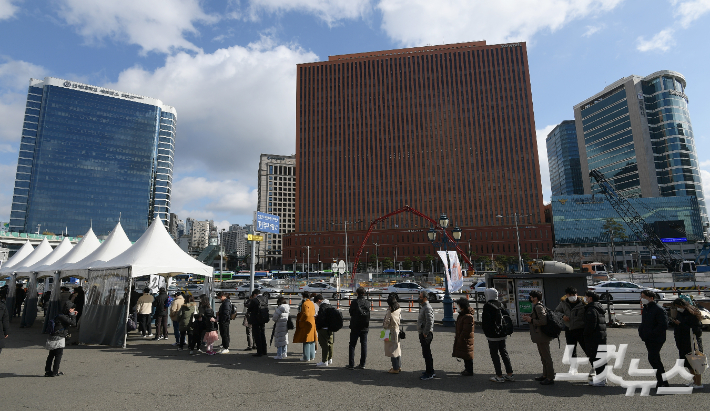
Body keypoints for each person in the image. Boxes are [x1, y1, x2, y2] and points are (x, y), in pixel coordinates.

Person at [481, 288, 514, 383]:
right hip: (503, 333)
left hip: (492, 334)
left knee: (494, 354)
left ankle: (499, 375)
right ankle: (510, 374)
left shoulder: (487, 306)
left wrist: (487, 333)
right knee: (504, 352)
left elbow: (486, 322)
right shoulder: (501, 304)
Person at [639, 290, 669, 388]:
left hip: (656, 338)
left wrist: (651, 334)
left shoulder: (658, 309)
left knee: (654, 359)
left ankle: (663, 381)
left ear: (651, 298)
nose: (642, 299)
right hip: (648, 338)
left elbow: (663, 325)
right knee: (654, 359)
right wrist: (642, 332)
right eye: (641, 297)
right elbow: (644, 323)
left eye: (644, 297)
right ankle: (661, 381)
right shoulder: (647, 308)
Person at [523, 290, 554, 385]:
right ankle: (545, 375)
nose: (530, 298)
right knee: (543, 357)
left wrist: (531, 320)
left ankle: (550, 377)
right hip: (539, 335)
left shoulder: (539, 307)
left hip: (542, 335)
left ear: (535, 298)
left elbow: (543, 321)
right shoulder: (538, 306)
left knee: (546, 357)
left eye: (531, 297)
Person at [671, 298, 704, 388]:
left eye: (678, 306)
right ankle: (694, 381)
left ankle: (698, 383)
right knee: (687, 363)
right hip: (682, 341)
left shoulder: (692, 314)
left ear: (683, 305)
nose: (677, 308)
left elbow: (697, 330)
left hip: (692, 342)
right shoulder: (680, 313)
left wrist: (680, 324)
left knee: (695, 362)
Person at [44, 301, 77, 377]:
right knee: (58, 355)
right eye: (72, 309)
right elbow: (73, 323)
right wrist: (73, 315)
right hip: (58, 338)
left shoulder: (59, 315)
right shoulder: (63, 317)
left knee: (51, 355)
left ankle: (48, 371)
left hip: (53, 337)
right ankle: (55, 371)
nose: (73, 310)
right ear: (69, 309)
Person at [583, 291, 607, 387]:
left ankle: (601, 380)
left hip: (594, 337)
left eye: (586, 297)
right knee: (601, 357)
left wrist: (585, 334)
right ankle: (603, 378)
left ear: (590, 298)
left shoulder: (591, 309)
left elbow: (590, 326)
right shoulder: (599, 307)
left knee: (596, 358)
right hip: (601, 336)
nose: (585, 299)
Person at [555, 286, 586, 357]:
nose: (572, 296)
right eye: (570, 295)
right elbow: (556, 312)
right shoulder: (563, 303)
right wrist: (563, 316)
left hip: (581, 329)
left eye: (574, 295)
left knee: (587, 348)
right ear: (567, 295)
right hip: (569, 329)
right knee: (571, 351)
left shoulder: (583, 302)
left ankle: (595, 366)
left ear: (576, 294)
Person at [347, 287, 370, 370]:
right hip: (365, 326)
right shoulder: (367, 302)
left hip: (355, 325)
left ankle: (351, 364)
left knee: (352, 345)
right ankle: (362, 364)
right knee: (364, 345)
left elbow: (351, 313)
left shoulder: (354, 302)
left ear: (357, 293)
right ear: (364, 293)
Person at [452, 297, 475, 376]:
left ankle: (469, 370)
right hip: (464, 338)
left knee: (468, 354)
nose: (458, 307)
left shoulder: (467, 316)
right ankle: (467, 369)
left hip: (466, 339)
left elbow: (466, 330)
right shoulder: (463, 315)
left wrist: (460, 337)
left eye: (459, 305)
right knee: (466, 354)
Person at [293, 291, 317, 361]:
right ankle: (312, 356)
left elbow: (305, 314)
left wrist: (301, 319)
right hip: (312, 322)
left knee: (306, 340)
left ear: (303, 296)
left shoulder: (305, 303)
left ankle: (306, 357)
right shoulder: (311, 303)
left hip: (306, 323)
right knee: (312, 340)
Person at [417, 291, 435, 380]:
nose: (419, 298)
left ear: (425, 298)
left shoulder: (427, 307)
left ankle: (429, 373)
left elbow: (429, 321)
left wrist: (425, 333)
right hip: (423, 332)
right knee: (426, 353)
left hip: (426, 334)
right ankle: (429, 370)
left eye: (420, 297)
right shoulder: (424, 307)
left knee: (427, 353)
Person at [383, 293, 402, 374]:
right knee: (397, 349)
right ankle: (398, 366)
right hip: (397, 330)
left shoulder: (390, 312)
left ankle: (395, 368)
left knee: (391, 351)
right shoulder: (398, 309)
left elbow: (386, 323)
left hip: (389, 331)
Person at [247, 289, 269, 357]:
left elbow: (249, 309)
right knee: (262, 334)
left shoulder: (254, 300)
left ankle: (259, 352)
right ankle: (264, 351)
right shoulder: (265, 298)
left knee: (257, 335)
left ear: (255, 295)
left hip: (256, 320)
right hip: (263, 318)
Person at [314, 294, 334, 366]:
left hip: (323, 329)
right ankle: (330, 359)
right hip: (330, 328)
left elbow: (321, 319)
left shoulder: (322, 307)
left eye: (317, 303)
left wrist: (318, 325)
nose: (317, 304)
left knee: (324, 345)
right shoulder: (329, 305)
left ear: (319, 300)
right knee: (330, 344)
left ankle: (324, 361)